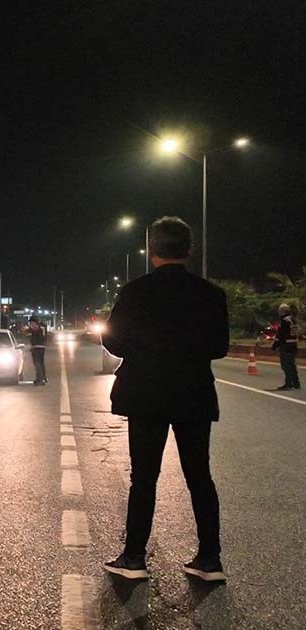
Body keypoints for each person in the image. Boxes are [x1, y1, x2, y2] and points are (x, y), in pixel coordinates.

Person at [101, 217, 229, 582]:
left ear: (153, 251)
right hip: (194, 393)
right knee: (199, 476)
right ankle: (209, 559)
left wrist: (145, 349)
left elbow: (113, 340)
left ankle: (134, 558)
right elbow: (219, 346)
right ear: (189, 250)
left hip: (145, 394)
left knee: (144, 477)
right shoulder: (210, 294)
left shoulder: (135, 292)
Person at [272, 303, 300, 390]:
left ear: (282, 311)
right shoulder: (293, 319)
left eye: (279, 311)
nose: (279, 313)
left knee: (285, 365)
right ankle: (296, 383)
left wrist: (275, 345)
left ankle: (289, 383)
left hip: (286, 346)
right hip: (293, 345)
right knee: (292, 365)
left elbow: (281, 335)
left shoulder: (284, 321)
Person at [26, 315, 47, 385]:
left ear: (34, 322)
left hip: (36, 347)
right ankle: (43, 378)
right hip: (42, 347)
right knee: (41, 364)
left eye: (31, 323)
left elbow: (32, 330)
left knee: (37, 364)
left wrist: (28, 330)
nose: (30, 324)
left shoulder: (37, 328)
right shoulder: (43, 327)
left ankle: (40, 380)